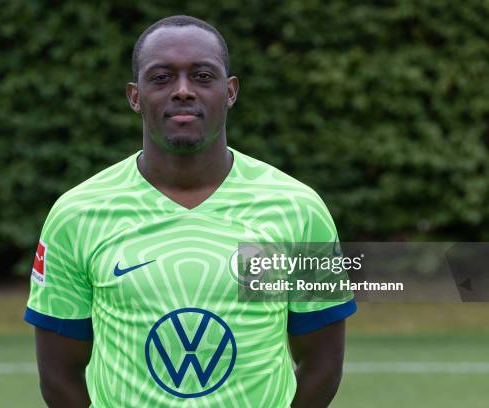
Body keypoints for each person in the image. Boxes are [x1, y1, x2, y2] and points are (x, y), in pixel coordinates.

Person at [24, 15, 356, 408]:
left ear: (230, 91)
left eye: (202, 76)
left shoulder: (297, 210)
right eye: (162, 78)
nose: (183, 91)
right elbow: (59, 376)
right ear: (134, 96)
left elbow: (323, 364)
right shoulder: (77, 214)